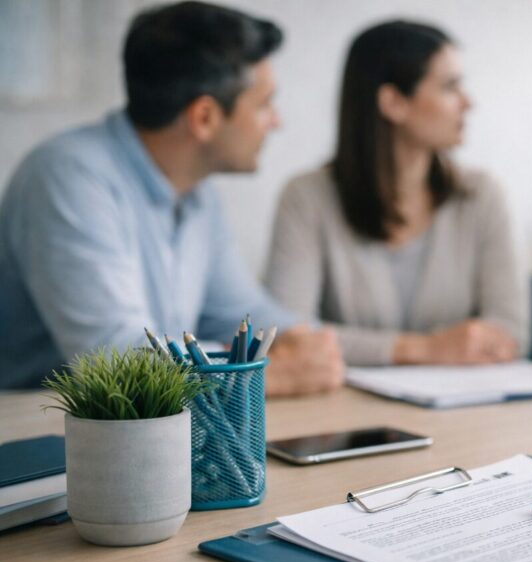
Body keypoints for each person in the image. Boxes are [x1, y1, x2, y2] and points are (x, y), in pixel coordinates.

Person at [0, 1, 344, 396]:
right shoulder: (66, 177)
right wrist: (272, 374)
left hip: (154, 435)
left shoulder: (199, 194)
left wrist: (303, 341)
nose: (276, 121)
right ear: (204, 117)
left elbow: (240, 314)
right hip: (46, 438)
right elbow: (115, 360)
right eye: (265, 104)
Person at [265, 20, 530, 366]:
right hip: (343, 411)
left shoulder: (483, 196)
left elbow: (510, 334)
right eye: (450, 87)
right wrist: (425, 349)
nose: (468, 103)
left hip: (466, 414)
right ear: (392, 102)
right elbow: (288, 336)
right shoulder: (306, 198)